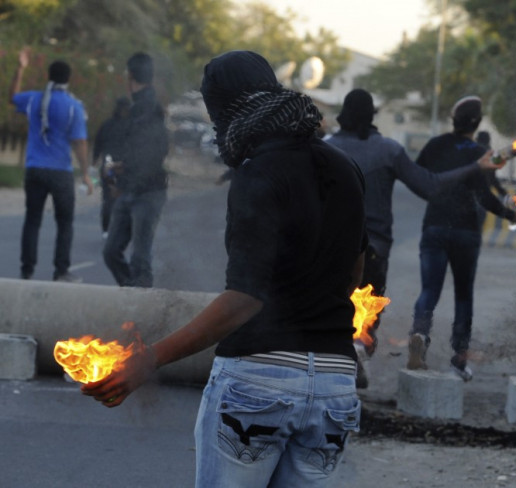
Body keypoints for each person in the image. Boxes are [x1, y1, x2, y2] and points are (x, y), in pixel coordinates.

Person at [81, 50, 367, 488]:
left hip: (259, 384)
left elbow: (244, 299)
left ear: (227, 110)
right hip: (335, 387)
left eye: (216, 114)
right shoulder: (345, 169)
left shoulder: (257, 174)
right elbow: (354, 272)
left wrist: (149, 360)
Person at [327, 88, 503, 388]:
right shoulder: (389, 150)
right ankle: (358, 349)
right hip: (373, 248)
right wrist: (476, 166)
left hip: (328, 248)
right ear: (372, 117)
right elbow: (430, 186)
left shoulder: (325, 148)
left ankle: (331, 367)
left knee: (331, 309)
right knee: (366, 313)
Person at [406, 95, 516, 381]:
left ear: (453, 120)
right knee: (463, 296)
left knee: (429, 291)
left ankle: (419, 334)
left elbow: (418, 176)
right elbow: (485, 197)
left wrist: (434, 195)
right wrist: (512, 216)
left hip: (434, 226)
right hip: (466, 232)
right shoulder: (480, 153)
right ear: (478, 122)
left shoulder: (435, 145)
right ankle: (459, 360)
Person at [9, 47, 93, 283]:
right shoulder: (73, 106)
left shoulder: (35, 99)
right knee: (64, 222)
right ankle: (61, 271)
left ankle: (27, 270)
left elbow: (11, 97)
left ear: (48, 76)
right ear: (68, 79)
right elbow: (80, 143)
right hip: (61, 173)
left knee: (32, 220)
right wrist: (86, 173)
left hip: (35, 169)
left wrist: (20, 68)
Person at [102, 52, 168, 288]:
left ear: (130, 76)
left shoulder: (148, 108)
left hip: (148, 193)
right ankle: (131, 298)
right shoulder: (139, 106)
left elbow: (153, 152)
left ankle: (137, 309)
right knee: (111, 252)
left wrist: (121, 169)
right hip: (130, 190)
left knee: (140, 261)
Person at [92, 96, 131, 239]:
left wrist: (94, 162)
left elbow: (97, 146)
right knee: (123, 198)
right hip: (124, 168)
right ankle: (116, 229)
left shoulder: (106, 125)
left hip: (108, 168)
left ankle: (106, 230)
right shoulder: (131, 126)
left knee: (108, 198)